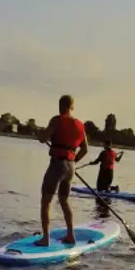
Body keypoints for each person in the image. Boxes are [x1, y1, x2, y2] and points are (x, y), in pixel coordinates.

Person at [37, 95, 90, 247]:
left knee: (46, 201)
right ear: (72, 107)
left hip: (57, 164)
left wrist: (39, 134)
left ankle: (45, 239)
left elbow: (44, 138)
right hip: (70, 167)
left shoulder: (56, 120)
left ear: (60, 106)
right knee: (64, 200)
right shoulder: (80, 125)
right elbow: (85, 149)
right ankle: (70, 235)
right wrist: (73, 160)